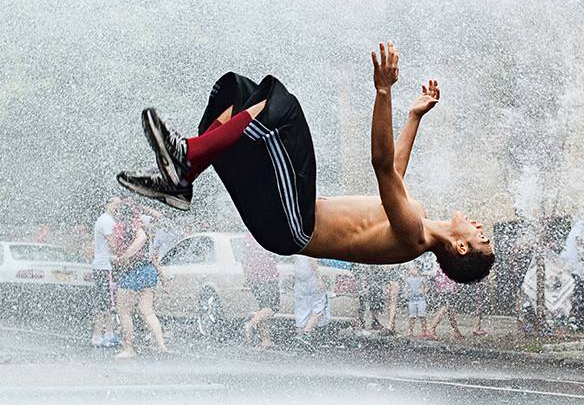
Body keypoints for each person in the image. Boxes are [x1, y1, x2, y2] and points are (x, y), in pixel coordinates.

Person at [117, 42, 494, 283]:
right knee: (241, 93)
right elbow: (394, 175)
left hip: (293, 224)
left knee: (283, 110)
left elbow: (381, 165)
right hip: (284, 218)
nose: (481, 228)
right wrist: (414, 117)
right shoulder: (416, 219)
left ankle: (186, 162)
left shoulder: (414, 234)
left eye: (482, 238)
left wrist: (383, 92)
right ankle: (185, 173)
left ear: (461, 248)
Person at [112, 208, 168, 358]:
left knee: (124, 311)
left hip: (133, 271)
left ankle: (129, 349)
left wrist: (124, 256)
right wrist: (162, 278)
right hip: (148, 270)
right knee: (147, 311)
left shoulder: (128, 226)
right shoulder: (146, 225)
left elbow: (141, 239)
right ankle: (161, 344)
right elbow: (152, 256)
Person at [89, 195, 124, 348]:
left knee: (105, 302)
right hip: (104, 267)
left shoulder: (103, 219)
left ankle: (108, 334)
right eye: (115, 204)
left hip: (101, 265)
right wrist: (122, 253)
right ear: (107, 204)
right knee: (105, 303)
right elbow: (112, 243)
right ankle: (98, 336)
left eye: (119, 205)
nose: (117, 207)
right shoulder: (107, 221)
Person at [241, 234, 281, 348]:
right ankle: (250, 324)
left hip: (254, 278)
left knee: (263, 308)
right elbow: (276, 254)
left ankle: (265, 340)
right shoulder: (267, 234)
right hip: (268, 278)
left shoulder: (248, 237)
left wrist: (247, 276)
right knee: (273, 307)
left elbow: (244, 258)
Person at [426, 258, 466, 340]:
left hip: (444, 278)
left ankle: (456, 332)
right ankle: (431, 327)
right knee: (447, 306)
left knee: (450, 309)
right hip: (447, 280)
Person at [292, 255, 329, 335]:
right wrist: (319, 279)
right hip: (311, 281)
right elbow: (312, 261)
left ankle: (300, 333)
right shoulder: (309, 247)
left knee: (302, 308)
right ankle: (307, 331)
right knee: (319, 306)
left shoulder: (298, 249)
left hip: (300, 282)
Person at [402, 264, 429, 338]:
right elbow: (406, 287)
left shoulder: (422, 278)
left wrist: (424, 291)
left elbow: (427, 287)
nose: (413, 271)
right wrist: (406, 293)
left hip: (421, 299)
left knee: (422, 315)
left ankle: (424, 331)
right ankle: (410, 330)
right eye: (412, 269)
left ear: (418, 270)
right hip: (412, 300)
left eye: (415, 269)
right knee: (412, 316)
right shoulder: (408, 279)